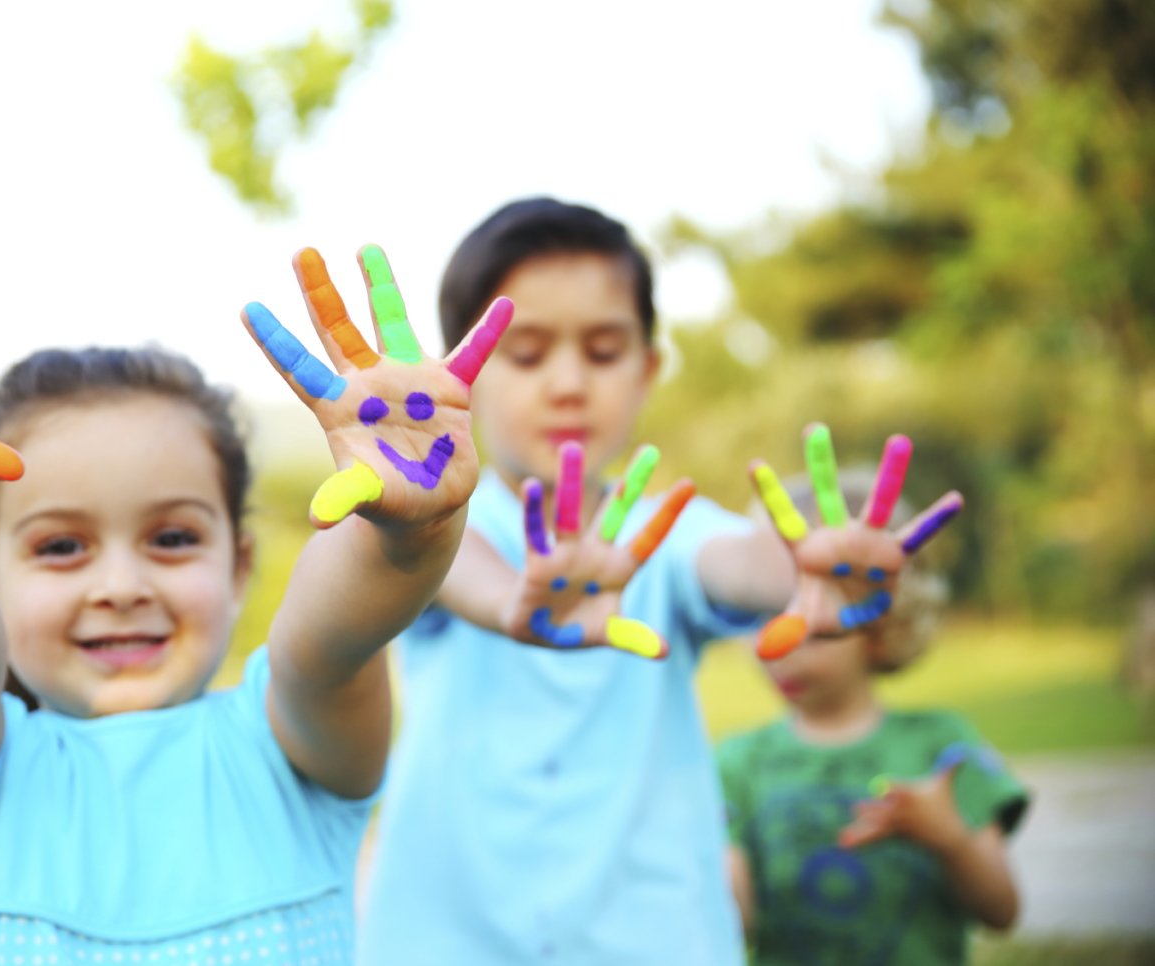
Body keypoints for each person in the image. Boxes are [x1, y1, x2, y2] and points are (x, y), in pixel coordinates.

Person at [0, 204, 511, 966]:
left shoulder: (289, 752)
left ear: (238, 565)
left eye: (171, 538)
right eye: (60, 546)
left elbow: (330, 642)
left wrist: (414, 526)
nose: (121, 584)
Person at [357, 198, 962, 965]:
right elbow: (441, 560)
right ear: (462, 375)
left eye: (604, 351)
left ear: (647, 370)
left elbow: (737, 562)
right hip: (448, 940)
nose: (569, 383)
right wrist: (513, 600)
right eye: (529, 352)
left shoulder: (665, 531)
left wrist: (799, 569)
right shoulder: (432, 525)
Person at [718, 471, 1028, 966]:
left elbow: (1002, 911)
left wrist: (950, 837)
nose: (782, 651)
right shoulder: (736, 763)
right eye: (765, 617)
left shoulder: (940, 745)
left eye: (818, 632)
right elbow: (734, 925)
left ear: (882, 629)